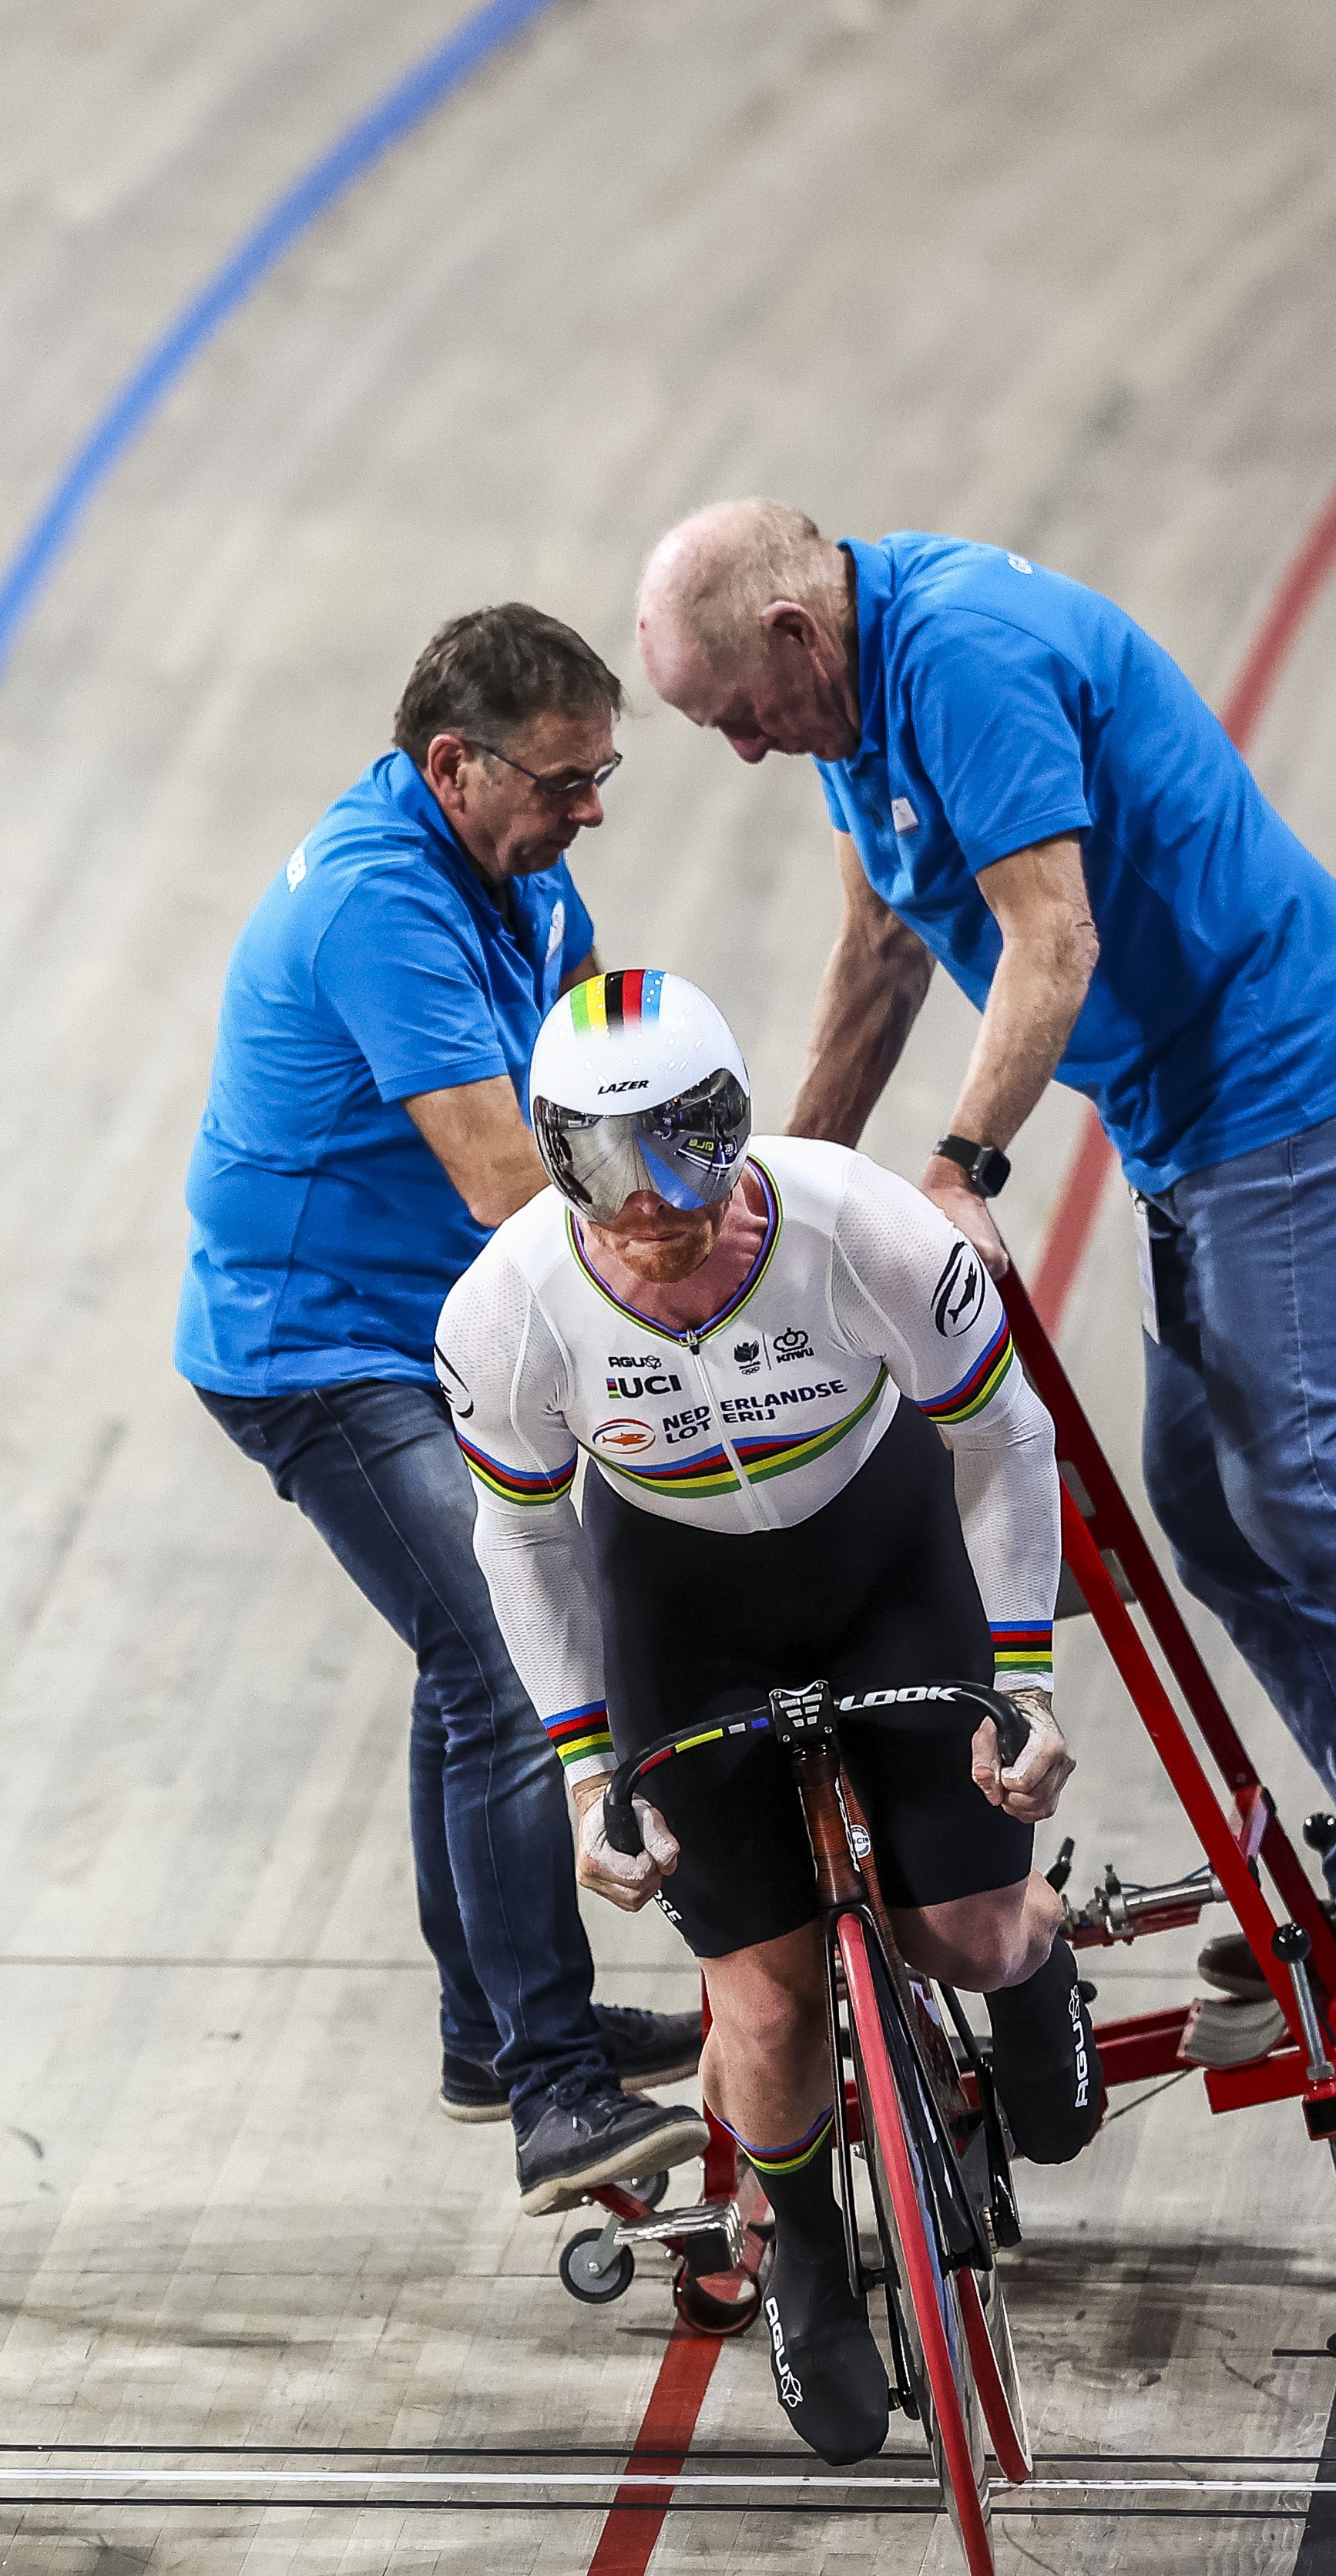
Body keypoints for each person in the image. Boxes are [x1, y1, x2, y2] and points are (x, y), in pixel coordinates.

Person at [636, 501, 1336, 2014]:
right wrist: (783, 1185)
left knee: (1300, 1488)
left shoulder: (961, 664)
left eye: (739, 718)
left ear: (794, 637)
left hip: (1290, 1090)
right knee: (1213, 1513)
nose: (743, 750)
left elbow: (1050, 941)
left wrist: (961, 1167)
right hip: (1194, 1118)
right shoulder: (845, 709)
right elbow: (881, 950)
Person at [440, 969, 1096, 2460]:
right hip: (687, 1616)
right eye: (601, 1169)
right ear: (553, 1164)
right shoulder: (508, 1310)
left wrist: (1024, 1681)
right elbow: (524, 1539)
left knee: (969, 1932)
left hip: (885, 1564)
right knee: (772, 1999)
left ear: (735, 1131)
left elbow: (1001, 1435)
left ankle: (1034, 1958)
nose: (648, 1205)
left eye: (679, 1151)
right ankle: (807, 2252)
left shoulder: (859, 1222)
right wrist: (588, 1766)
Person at [179, 605, 709, 2214]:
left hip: (429, 1324)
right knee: (499, 1653)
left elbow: (614, 1092)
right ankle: (555, 2091)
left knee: (455, 1659)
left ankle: (489, 2028)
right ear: (452, 765)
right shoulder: (378, 900)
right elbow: (505, 1175)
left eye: (605, 774)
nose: (591, 808)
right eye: (565, 780)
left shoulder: (522, 871)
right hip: (317, 1343)